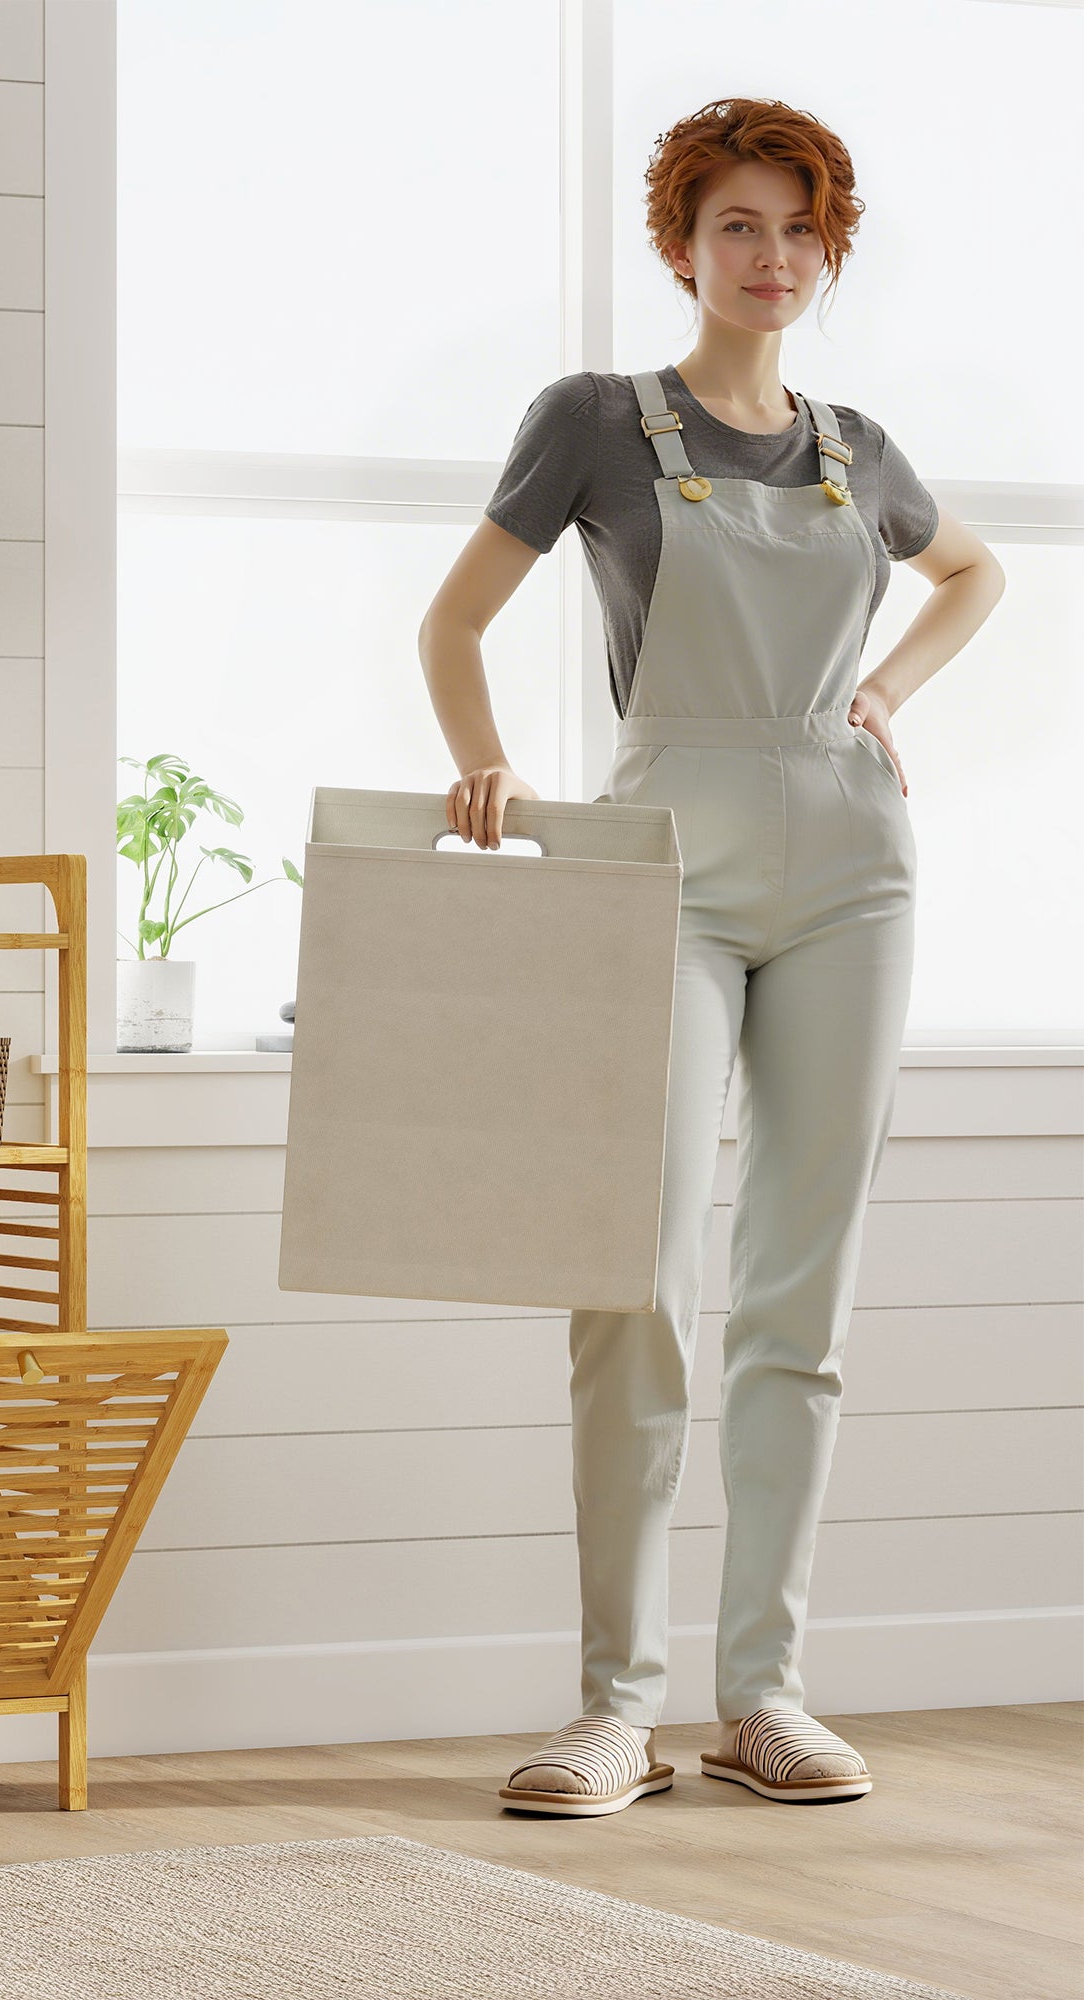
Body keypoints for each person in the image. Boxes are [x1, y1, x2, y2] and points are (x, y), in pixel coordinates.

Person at [416, 97, 1005, 1817]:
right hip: (662, 854)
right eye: (738, 226)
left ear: (832, 254)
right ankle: (618, 1706)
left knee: (797, 1302)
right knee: (634, 1281)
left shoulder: (859, 446)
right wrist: (487, 762)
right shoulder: (599, 422)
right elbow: (455, 618)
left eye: (800, 231)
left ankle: (767, 1693)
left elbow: (973, 575)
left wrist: (886, 692)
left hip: (850, 862)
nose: (772, 258)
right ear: (682, 245)